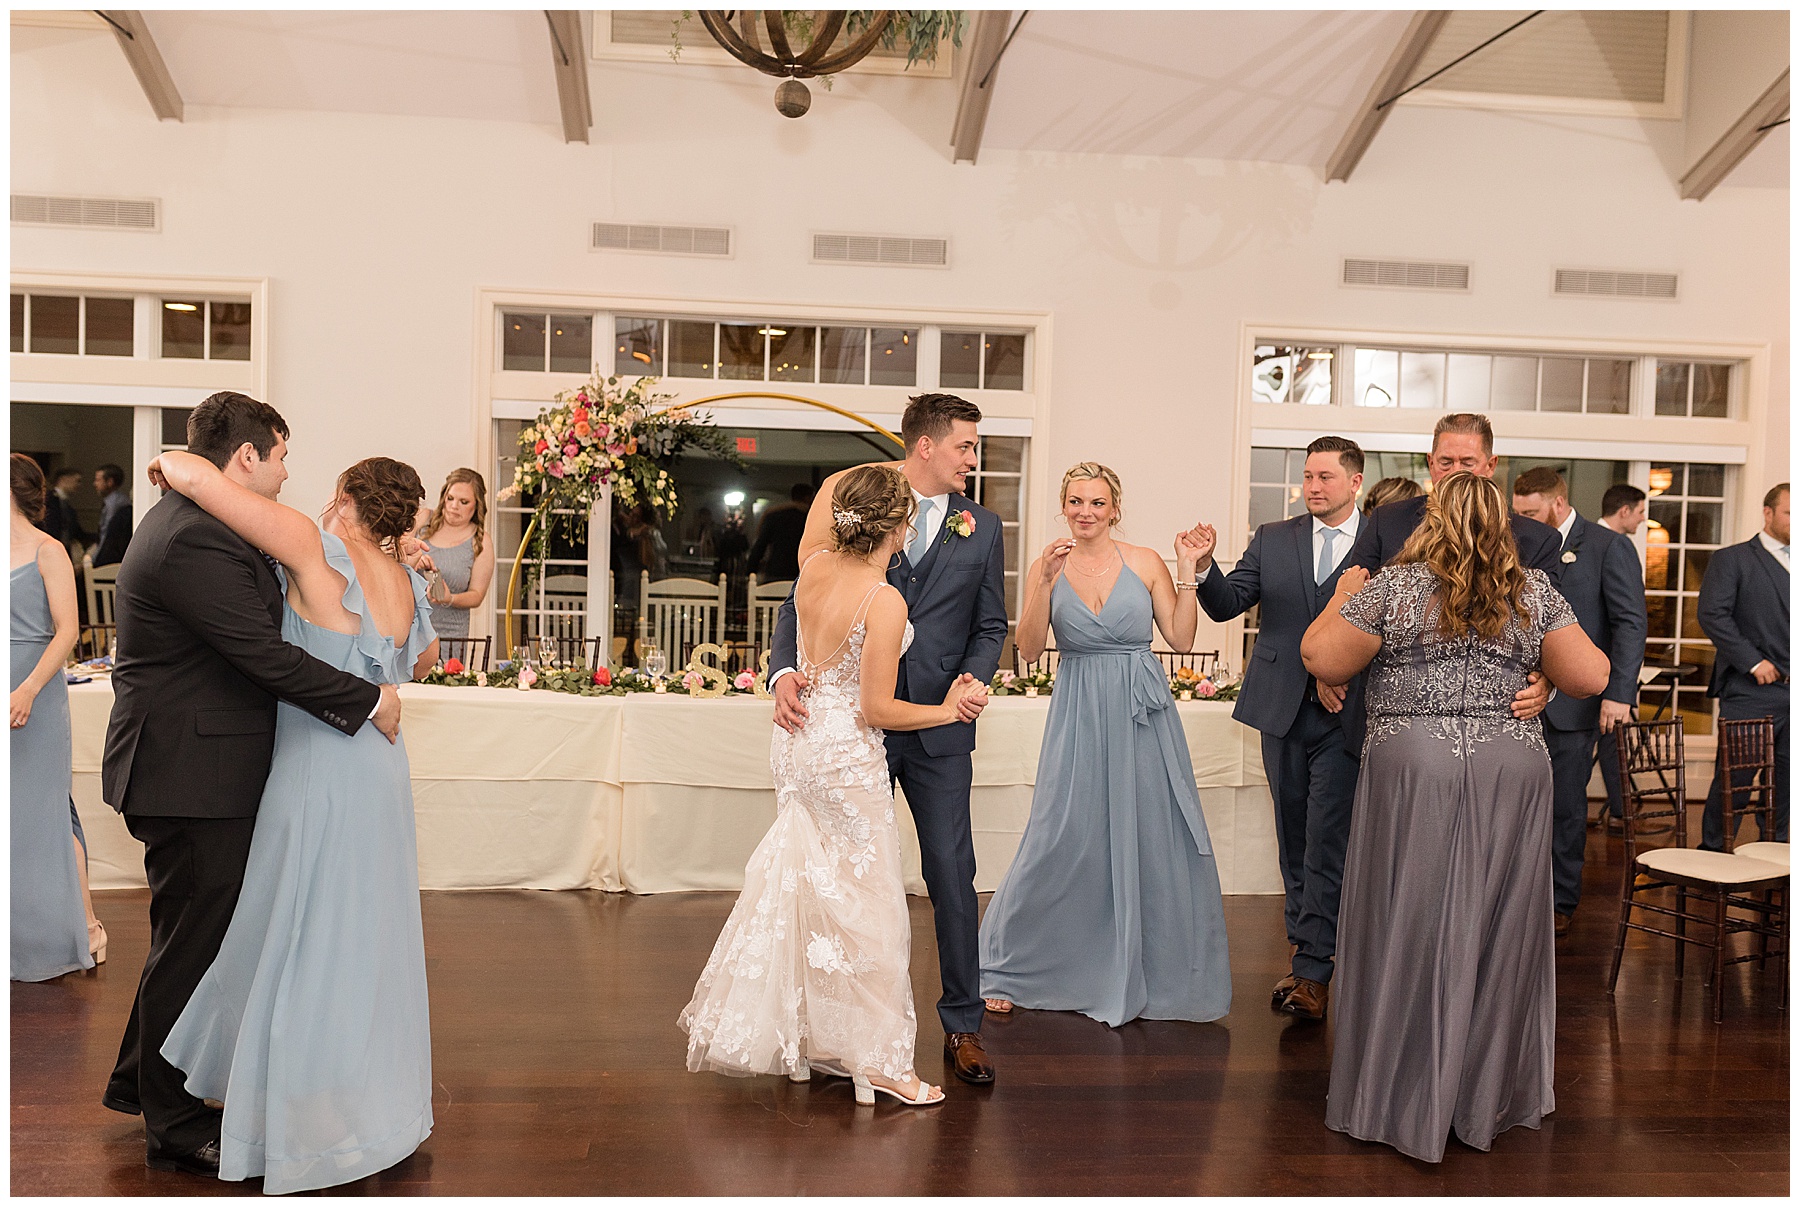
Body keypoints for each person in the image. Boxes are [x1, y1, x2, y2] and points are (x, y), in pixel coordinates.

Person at [100, 392, 403, 1181]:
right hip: (190, 772)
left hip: (197, 767)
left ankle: (143, 1079)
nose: (285, 470)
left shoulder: (203, 523)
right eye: (279, 455)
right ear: (246, 458)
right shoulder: (194, 539)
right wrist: (366, 697)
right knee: (192, 945)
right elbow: (260, 654)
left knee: (187, 936)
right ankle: (168, 1121)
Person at [149, 447, 439, 1193]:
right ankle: (371, 1109)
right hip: (380, 770)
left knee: (296, 936)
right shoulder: (405, 578)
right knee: (363, 940)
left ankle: (297, 1122)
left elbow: (213, 487)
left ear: (346, 497)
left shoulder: (318, 547)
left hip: (317, 766)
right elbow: (424, 660)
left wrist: (171, 462)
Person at [1302, 471, 1609, 1164]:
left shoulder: (1394, 585)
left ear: (1428, 521)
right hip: (1510, 767)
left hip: (1415, 767)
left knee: (1406, 918)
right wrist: (1548, 674)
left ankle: (1395, 1090)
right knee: (1495, 926)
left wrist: (1347, 591)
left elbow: (1320, 656)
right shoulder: (1533, 590)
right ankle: (1479, 1096)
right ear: (1503, 525)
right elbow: (1593, 673)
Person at [680, 464, 986, 1107]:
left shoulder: (815, 567)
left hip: (798, 749)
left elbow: (799, 641)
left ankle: (818, 1039)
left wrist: (790, 672)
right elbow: (876, 709)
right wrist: (948, 710)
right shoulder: (884, 599)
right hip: (846, 756)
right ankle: (882, 1063)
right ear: (896, 526)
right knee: (871, 909)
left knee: (815, 895)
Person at [769, 393, 1009, 1087]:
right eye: (965, 445)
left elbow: (990, 624)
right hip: (848, 729)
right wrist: (784, 669)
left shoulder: (983, 527)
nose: (973, 457)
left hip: (937, 726)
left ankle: (962, 1024)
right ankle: (836, 1024)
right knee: (843, 885)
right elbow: (801, 594)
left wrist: (972, 678)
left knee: (950, 876)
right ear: (926, 446)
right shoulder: (854, 500)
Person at [978, 463, 1231, 1026]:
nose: (1085, 512)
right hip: (1078, 708)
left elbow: (1183, 638)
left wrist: (1187, 569)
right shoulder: (1051, 565)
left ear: (1114, 509)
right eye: (1075, 501)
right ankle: (1012, 962)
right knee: (1062, 832)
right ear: (1063, 506)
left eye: (1096, 503)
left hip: (1142, 714)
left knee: (1149, 833)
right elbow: (1026, 649)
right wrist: (1042, 581)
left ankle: (1148, 968)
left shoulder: (1143, 562)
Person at [1187, 436, 1367, 1022]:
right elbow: (1227, 603)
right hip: (1280, 707)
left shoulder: (1380, 544)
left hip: (1344, 712)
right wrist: (1205, 567)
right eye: (1308, 477)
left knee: (1326, 835)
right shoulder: (1274, 537)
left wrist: (1342, 669)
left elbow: (1390, 623)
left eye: (1326, 477)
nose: (1314, 487)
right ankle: (1305, 952)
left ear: (1355, 482)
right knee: (1293, 834)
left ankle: (1316, 967)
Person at [1346, 413, 1559, 746]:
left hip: (1498, 722)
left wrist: (1547, 680)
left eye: (1468, 462)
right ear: (1431, 463)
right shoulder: (1388, 522)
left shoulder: (1536, 538)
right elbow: (1353, 597)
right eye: (1446, 462)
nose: (1456, 471)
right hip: (1401, 720)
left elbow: (1553, 629)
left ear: (1491, 465)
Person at [1511, 468, 1646, 935]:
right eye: (1517, 511)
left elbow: (1630, 624)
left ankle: (1559, 901)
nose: (1520, 519)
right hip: (1517, 699)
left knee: (1566, 806)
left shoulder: (1609, 546)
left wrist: (1618, 694)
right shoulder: (1518, 543)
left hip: (1575, 703)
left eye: (1530, 512)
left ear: (1559, 504)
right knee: (1514, 805)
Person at [11, 454, 97, 981]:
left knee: (41, 810)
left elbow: (68, 631)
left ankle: (74, 930)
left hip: (36, 694)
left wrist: (27, 688)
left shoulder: (49, 551)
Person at [1697, 482, 1789, 851]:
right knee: (1735, 781)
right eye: (1789, 512)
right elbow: (1712, 614)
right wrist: (1753, 662)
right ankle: (1713, 854)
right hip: (1750, 691)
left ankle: (1778, 854)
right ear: (1767, 514)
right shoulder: (1732, 559)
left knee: (1787, 784)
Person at [1593, 481, 1649, 823]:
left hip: (1597, 673)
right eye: (1641, 512)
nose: (1643, 519)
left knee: (1613, 746)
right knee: (1614, 745)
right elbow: (1630, 618)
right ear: (1624, 511)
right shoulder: (1617, 546)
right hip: (1603, 672)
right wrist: (1621, 685)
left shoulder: (1594, 542)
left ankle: (1620, 811)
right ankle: (1621, 812)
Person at [415, 468, 495, 641]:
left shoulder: (480, 541)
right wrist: (412, 560)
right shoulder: (422, 520)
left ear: (477, 505)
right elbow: (392, 554)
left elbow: (477, 595)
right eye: (450, 498)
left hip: (450, 636)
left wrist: (450, 598)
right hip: (411, 629)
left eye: (464, 502)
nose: (454, 506)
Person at [749, 483, 815, 583]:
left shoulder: (774, 515)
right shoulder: (811, 518)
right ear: (808, 497)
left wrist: (750, 570)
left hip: (776, 569)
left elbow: (760, 545)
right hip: (802, 570)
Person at [92, 463, 133, 567]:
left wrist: (94, 560)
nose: (94, 484)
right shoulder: (113, 502)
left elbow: (106, 535)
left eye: (98, 480)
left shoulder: (115, 505)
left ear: (110, 482)